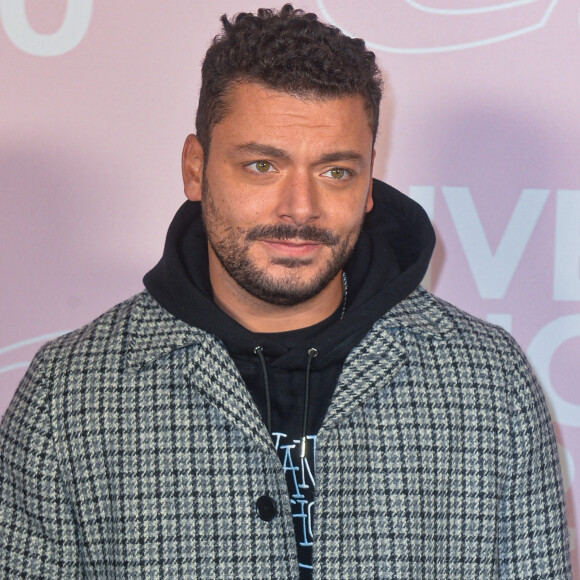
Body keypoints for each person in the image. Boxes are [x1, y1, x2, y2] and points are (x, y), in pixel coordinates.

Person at [0, 4, 571, 579]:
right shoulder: (68, 396)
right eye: (261, 166)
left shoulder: (490, 385)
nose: (300, 208)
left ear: (370, 180)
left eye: (335, 172)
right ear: (195, 169)